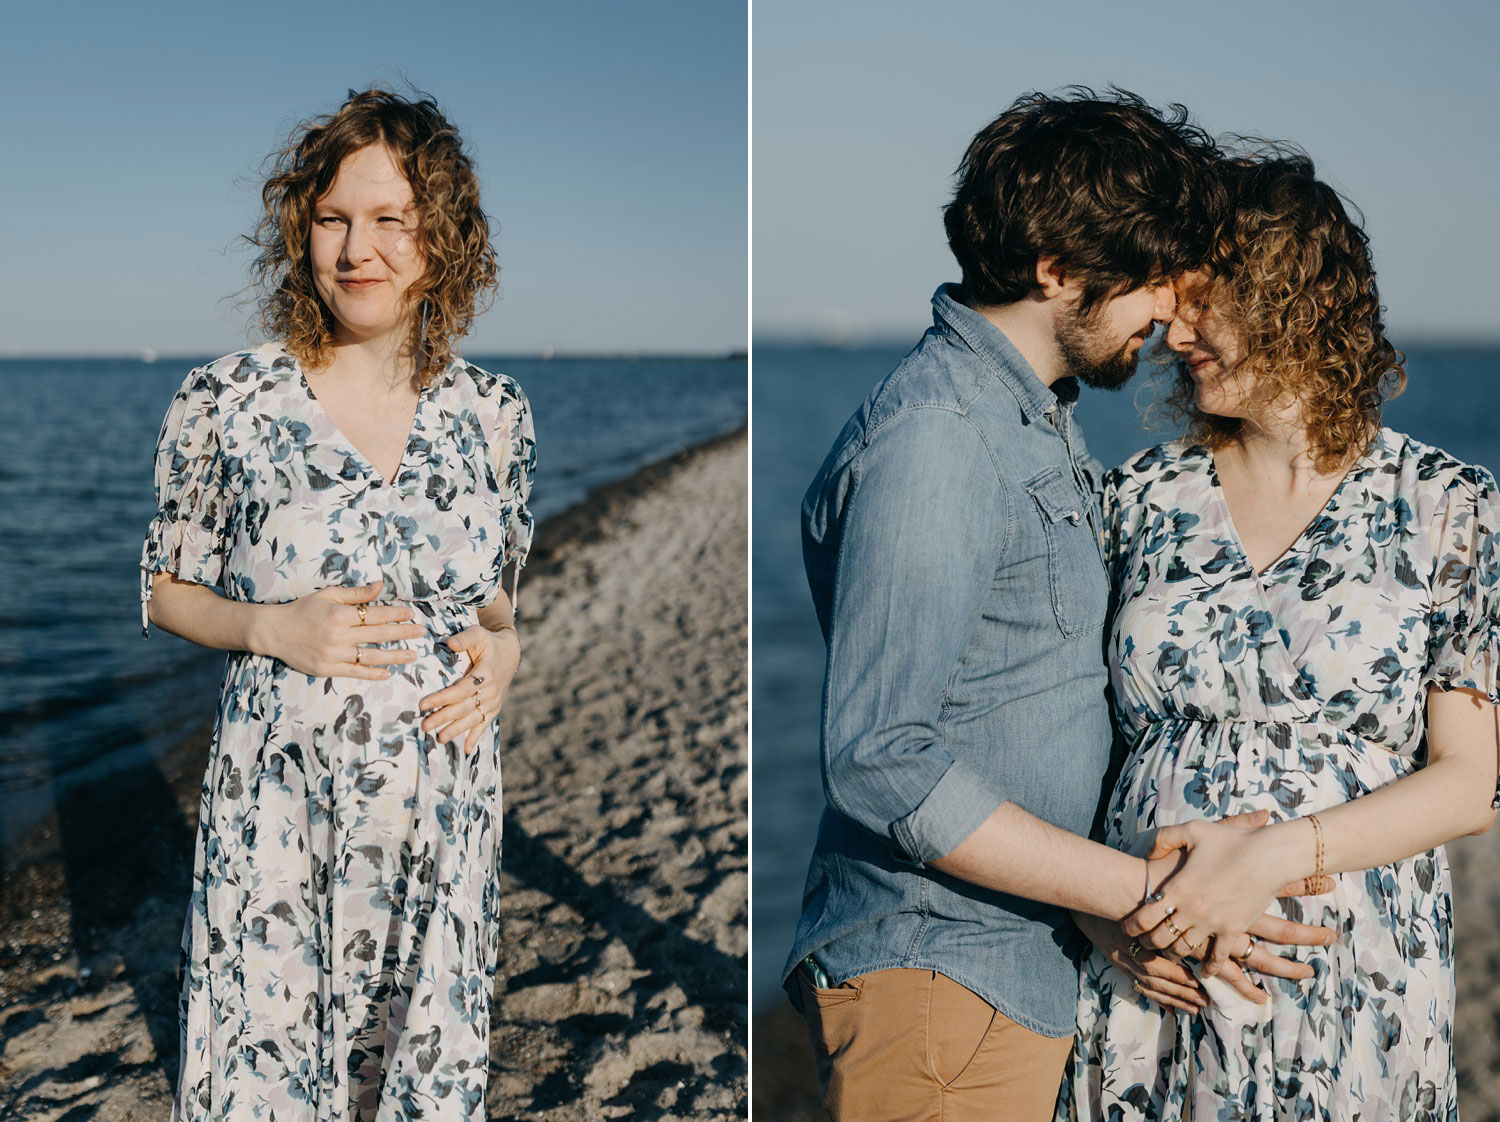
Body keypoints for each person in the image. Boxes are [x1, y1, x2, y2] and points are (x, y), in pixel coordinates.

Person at [781, 90, 1330, 1122]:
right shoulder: (941, 437)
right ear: (1056, 270)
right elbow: (879, 756)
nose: (1169, 312)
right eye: (1150, 278)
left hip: (1006, 969)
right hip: (940, 975)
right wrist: (1138, 894)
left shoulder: (1027, 419)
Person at [1061, 152, 1500, 1120]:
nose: (1174, 332)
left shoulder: (1447, 507)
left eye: (1201, 299)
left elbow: (1471, 786)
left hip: (1347, 982)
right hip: (1148, 974)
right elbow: (1071, 742)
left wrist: (1269, 860)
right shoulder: (1136, 498)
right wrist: (1095, 908)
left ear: (1292, 296)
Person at [140, 89, 535, 1121]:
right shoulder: (226, 399)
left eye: (390, 219)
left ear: (441, 239)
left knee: (418, 1082)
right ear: (300, 230)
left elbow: (492, 602)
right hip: (280, 811)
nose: (358, 248)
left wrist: (507, 654)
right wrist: (272, 627)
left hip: (443, 819)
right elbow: (165, 590)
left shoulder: (492, 415)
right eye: (332, 219)